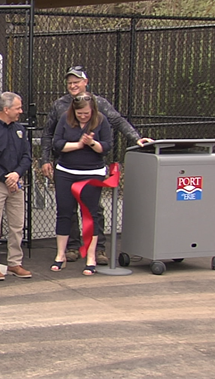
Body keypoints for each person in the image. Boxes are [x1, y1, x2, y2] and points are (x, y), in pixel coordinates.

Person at [40, 66, 152, 265]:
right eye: (70, 83)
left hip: (92, 167)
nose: (73, 86)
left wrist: (136, 138)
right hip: (65, 166)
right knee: (67, 208)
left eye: (77, 82)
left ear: (86, 82)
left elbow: (117, 121)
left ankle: (98, 249)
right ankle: (72, 247)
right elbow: (49, 133)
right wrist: (45, 159)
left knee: (94, 210)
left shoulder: (99, 103)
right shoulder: (59, 105)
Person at [51, 92, 113, 276]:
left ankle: (91, 256)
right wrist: (78, 145)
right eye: (80, 113)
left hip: (91, 172)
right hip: (66, 172)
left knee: (89, 213)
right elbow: (58, 144)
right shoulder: (65, 119)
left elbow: (106, 147)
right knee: (64, 212)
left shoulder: (101, 121)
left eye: (86, 113)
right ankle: (60, 255)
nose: (83, 116)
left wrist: (92, 143)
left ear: (92, 109)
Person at [0, 92, 33, 281]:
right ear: (6, 109)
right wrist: (5, 177)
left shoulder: (20, 129)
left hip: (16, 182)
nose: (21, 111)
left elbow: (27, 156)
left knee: (17, 225)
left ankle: (14, 262)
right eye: (18, 108)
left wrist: (17, 174)